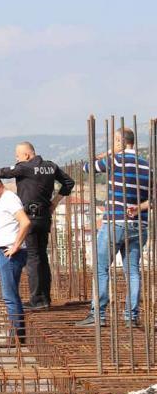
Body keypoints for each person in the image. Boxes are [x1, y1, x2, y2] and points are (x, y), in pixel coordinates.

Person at [0, 142, 74, 311]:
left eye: (18, 156)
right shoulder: (51, 167)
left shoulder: (25, 167)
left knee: (33, 258)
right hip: (44, 216)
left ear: (26, 155)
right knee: (41, 258)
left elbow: (2, 172)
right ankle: (44, 298)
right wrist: (54, 203)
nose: (17, 160)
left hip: (29, 216)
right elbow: (69, 182)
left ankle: (37, 301)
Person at [76, 127, 150, 327]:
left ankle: (98, 315)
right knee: (133, 271)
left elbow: (86, 168)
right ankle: (131, 317)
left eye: (114, 141)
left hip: (115, 224)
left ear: (120, 141)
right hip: (140, 225)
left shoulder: (116, 160)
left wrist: (109, 153)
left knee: (101, 268)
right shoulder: (147, 166)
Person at [0, 173, 32, 348]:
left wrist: (16, 246)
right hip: (5, 252)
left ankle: (16, 337)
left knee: (10, 296)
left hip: (10, 253)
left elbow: (25, 222)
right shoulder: (3, 200)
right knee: (10, 295)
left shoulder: (10, 199)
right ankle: (17, 334)